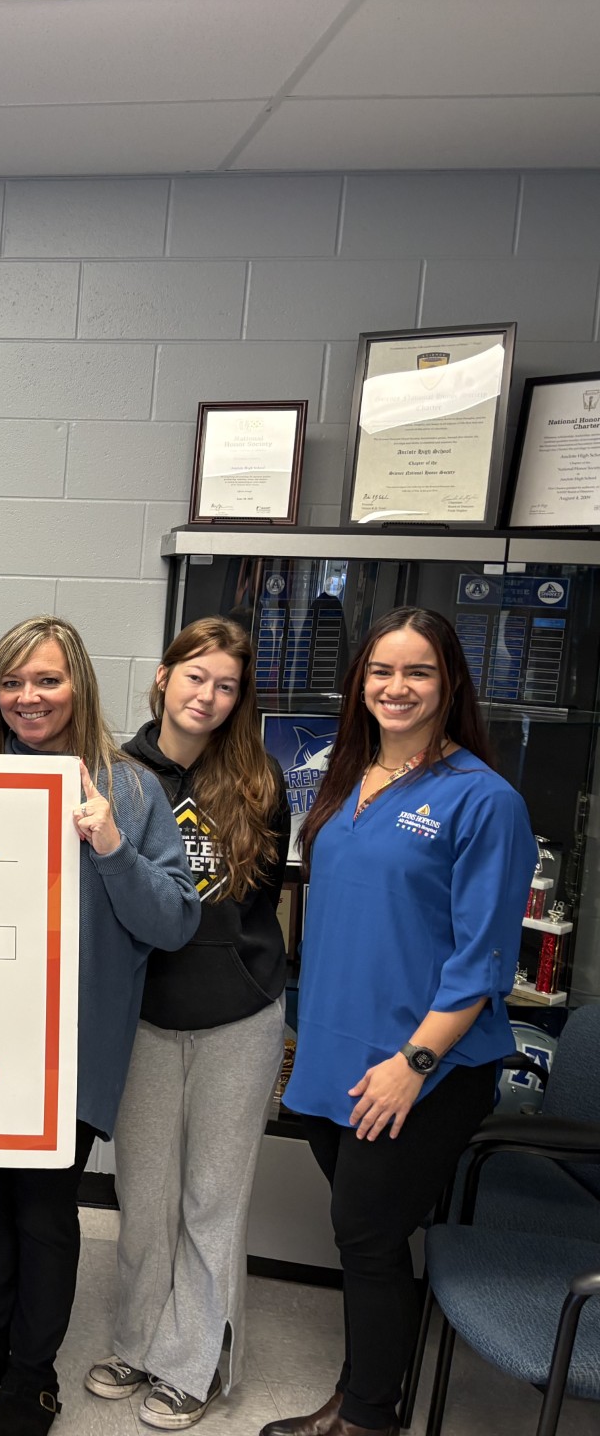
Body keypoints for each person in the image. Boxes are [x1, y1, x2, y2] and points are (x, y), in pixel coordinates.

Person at [262, 608, 532, 1436]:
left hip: (424, 1064)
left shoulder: (484, 800)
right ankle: (362, 1390)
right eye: (382, 670)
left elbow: (483, 962)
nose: (397, 687)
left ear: (450, 683)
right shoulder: (347, 779)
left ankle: (367, 1418)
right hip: (335, 1048)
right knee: (364, 1238)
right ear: (361, 681)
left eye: (418, 672)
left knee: (368, 1233)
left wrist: (412, 1063)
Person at [0, 615, 199, 1436]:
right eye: (12, 683)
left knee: (44, 1208)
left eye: (46, 680)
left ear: (78, 683)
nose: (28, 697)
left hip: (70, 1049)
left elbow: (177, 921)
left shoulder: (132, 788)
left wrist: (111, 842)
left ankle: (31, 1373)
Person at [87, 617, 289, 1430]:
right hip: (141, 1014)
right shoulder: (116, 775)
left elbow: (259, 906)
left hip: (238, 1013)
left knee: (212, 1197)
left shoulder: (258, 779)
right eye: (195, 676)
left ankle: (192, 1361)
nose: (208, 695)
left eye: (228, 684)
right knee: (143, 1194)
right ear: (163, 677)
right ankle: (136, 1342)